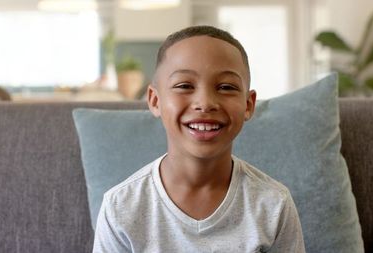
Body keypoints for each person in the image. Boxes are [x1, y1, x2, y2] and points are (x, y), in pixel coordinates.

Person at [93, 25, 305, 253]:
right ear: (155, 101)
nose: (205, 103)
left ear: (248, 104)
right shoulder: (120, 207)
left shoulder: (274, 204)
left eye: (226, 87)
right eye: (184, 85)